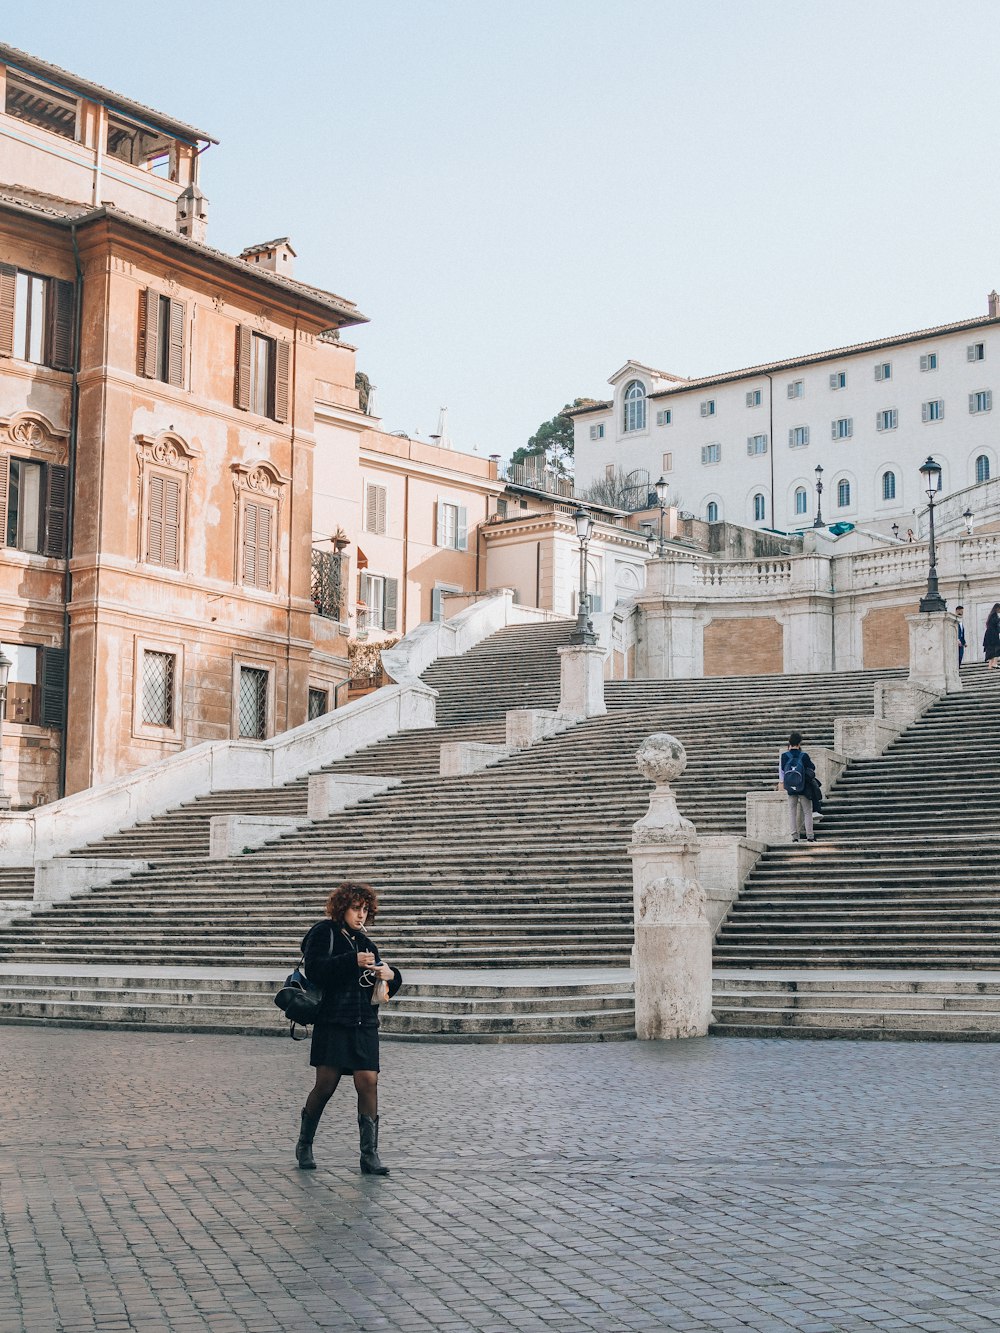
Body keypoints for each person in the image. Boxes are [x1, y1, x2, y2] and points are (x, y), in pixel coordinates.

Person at [295, 881, 402, 1175]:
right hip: (333, 1021)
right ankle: (305, 1143)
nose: (361, 915)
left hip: (364, 1022)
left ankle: (369, 1155)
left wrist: (391, 974)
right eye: (356, 909)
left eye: (365, 910)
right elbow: (316, 969)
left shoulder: (367, 943)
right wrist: (350, 960)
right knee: (325, 1086)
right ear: (342, 908)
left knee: (368, 1081)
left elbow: (386, 983)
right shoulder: (323, 932)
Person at [778, 731, 818, 843]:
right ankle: (810, 835)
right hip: (803, 787)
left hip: (790, 787)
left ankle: (795, 836)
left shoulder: (784, 756)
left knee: (792, 811)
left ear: (789, 743)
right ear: (799, 743)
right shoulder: (804, 755)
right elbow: (812, 767)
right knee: (807, 811)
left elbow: (781, 771)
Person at [985, 604, 1000, 669]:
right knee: (997, 649)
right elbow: (996, 625)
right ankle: (994, 663)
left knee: (991, 650)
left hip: (989, 635)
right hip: (992, 635)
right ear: (997, 608)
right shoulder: (994, 616)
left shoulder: (991, 615)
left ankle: (990, 666)